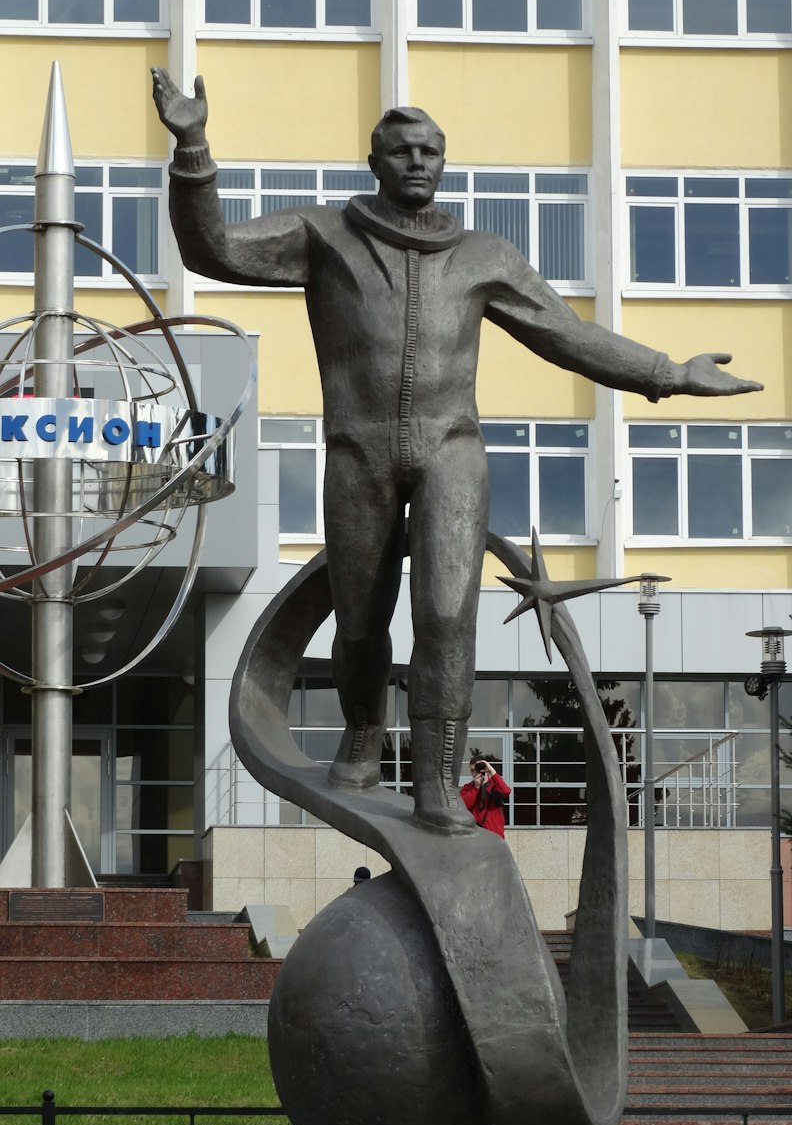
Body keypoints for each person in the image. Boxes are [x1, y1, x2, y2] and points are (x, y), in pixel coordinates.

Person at [150, 68, 763, 836]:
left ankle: (439, 776)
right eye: (402, 150)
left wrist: (669, 374)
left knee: (445, 614)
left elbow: (568, 335)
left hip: (451, 452)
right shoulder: (322, 235)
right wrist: (194, 147)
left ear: (446, 162)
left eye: (432, 151)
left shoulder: (483, 256)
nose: (418, 162)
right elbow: (213, 249)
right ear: (375, 162)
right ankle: (365, 734)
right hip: (358, 454)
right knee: (362, 625)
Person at [460, 759, 509, 839]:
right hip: (475, 837)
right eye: (473, 770)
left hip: (494, 836)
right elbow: (463, 805)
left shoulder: (494, 786)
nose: (475, 773)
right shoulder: (468, 788)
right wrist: (476, 788)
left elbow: (506, 792)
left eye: (478, 770)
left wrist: (492, 771)